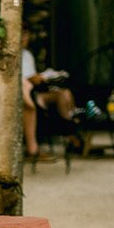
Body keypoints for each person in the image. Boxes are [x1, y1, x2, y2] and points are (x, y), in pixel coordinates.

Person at [21, 29, 79, 160]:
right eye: (22, 34)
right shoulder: (10, 55)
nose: (24, 38)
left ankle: (71, 129)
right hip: (27, 93)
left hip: (35, 90)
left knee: (65, 94)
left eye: (26, 34)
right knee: (33, 103)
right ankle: (68, 133)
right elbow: (28, 79)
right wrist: (35, 79)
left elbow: (34, 78)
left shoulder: (27, 55)